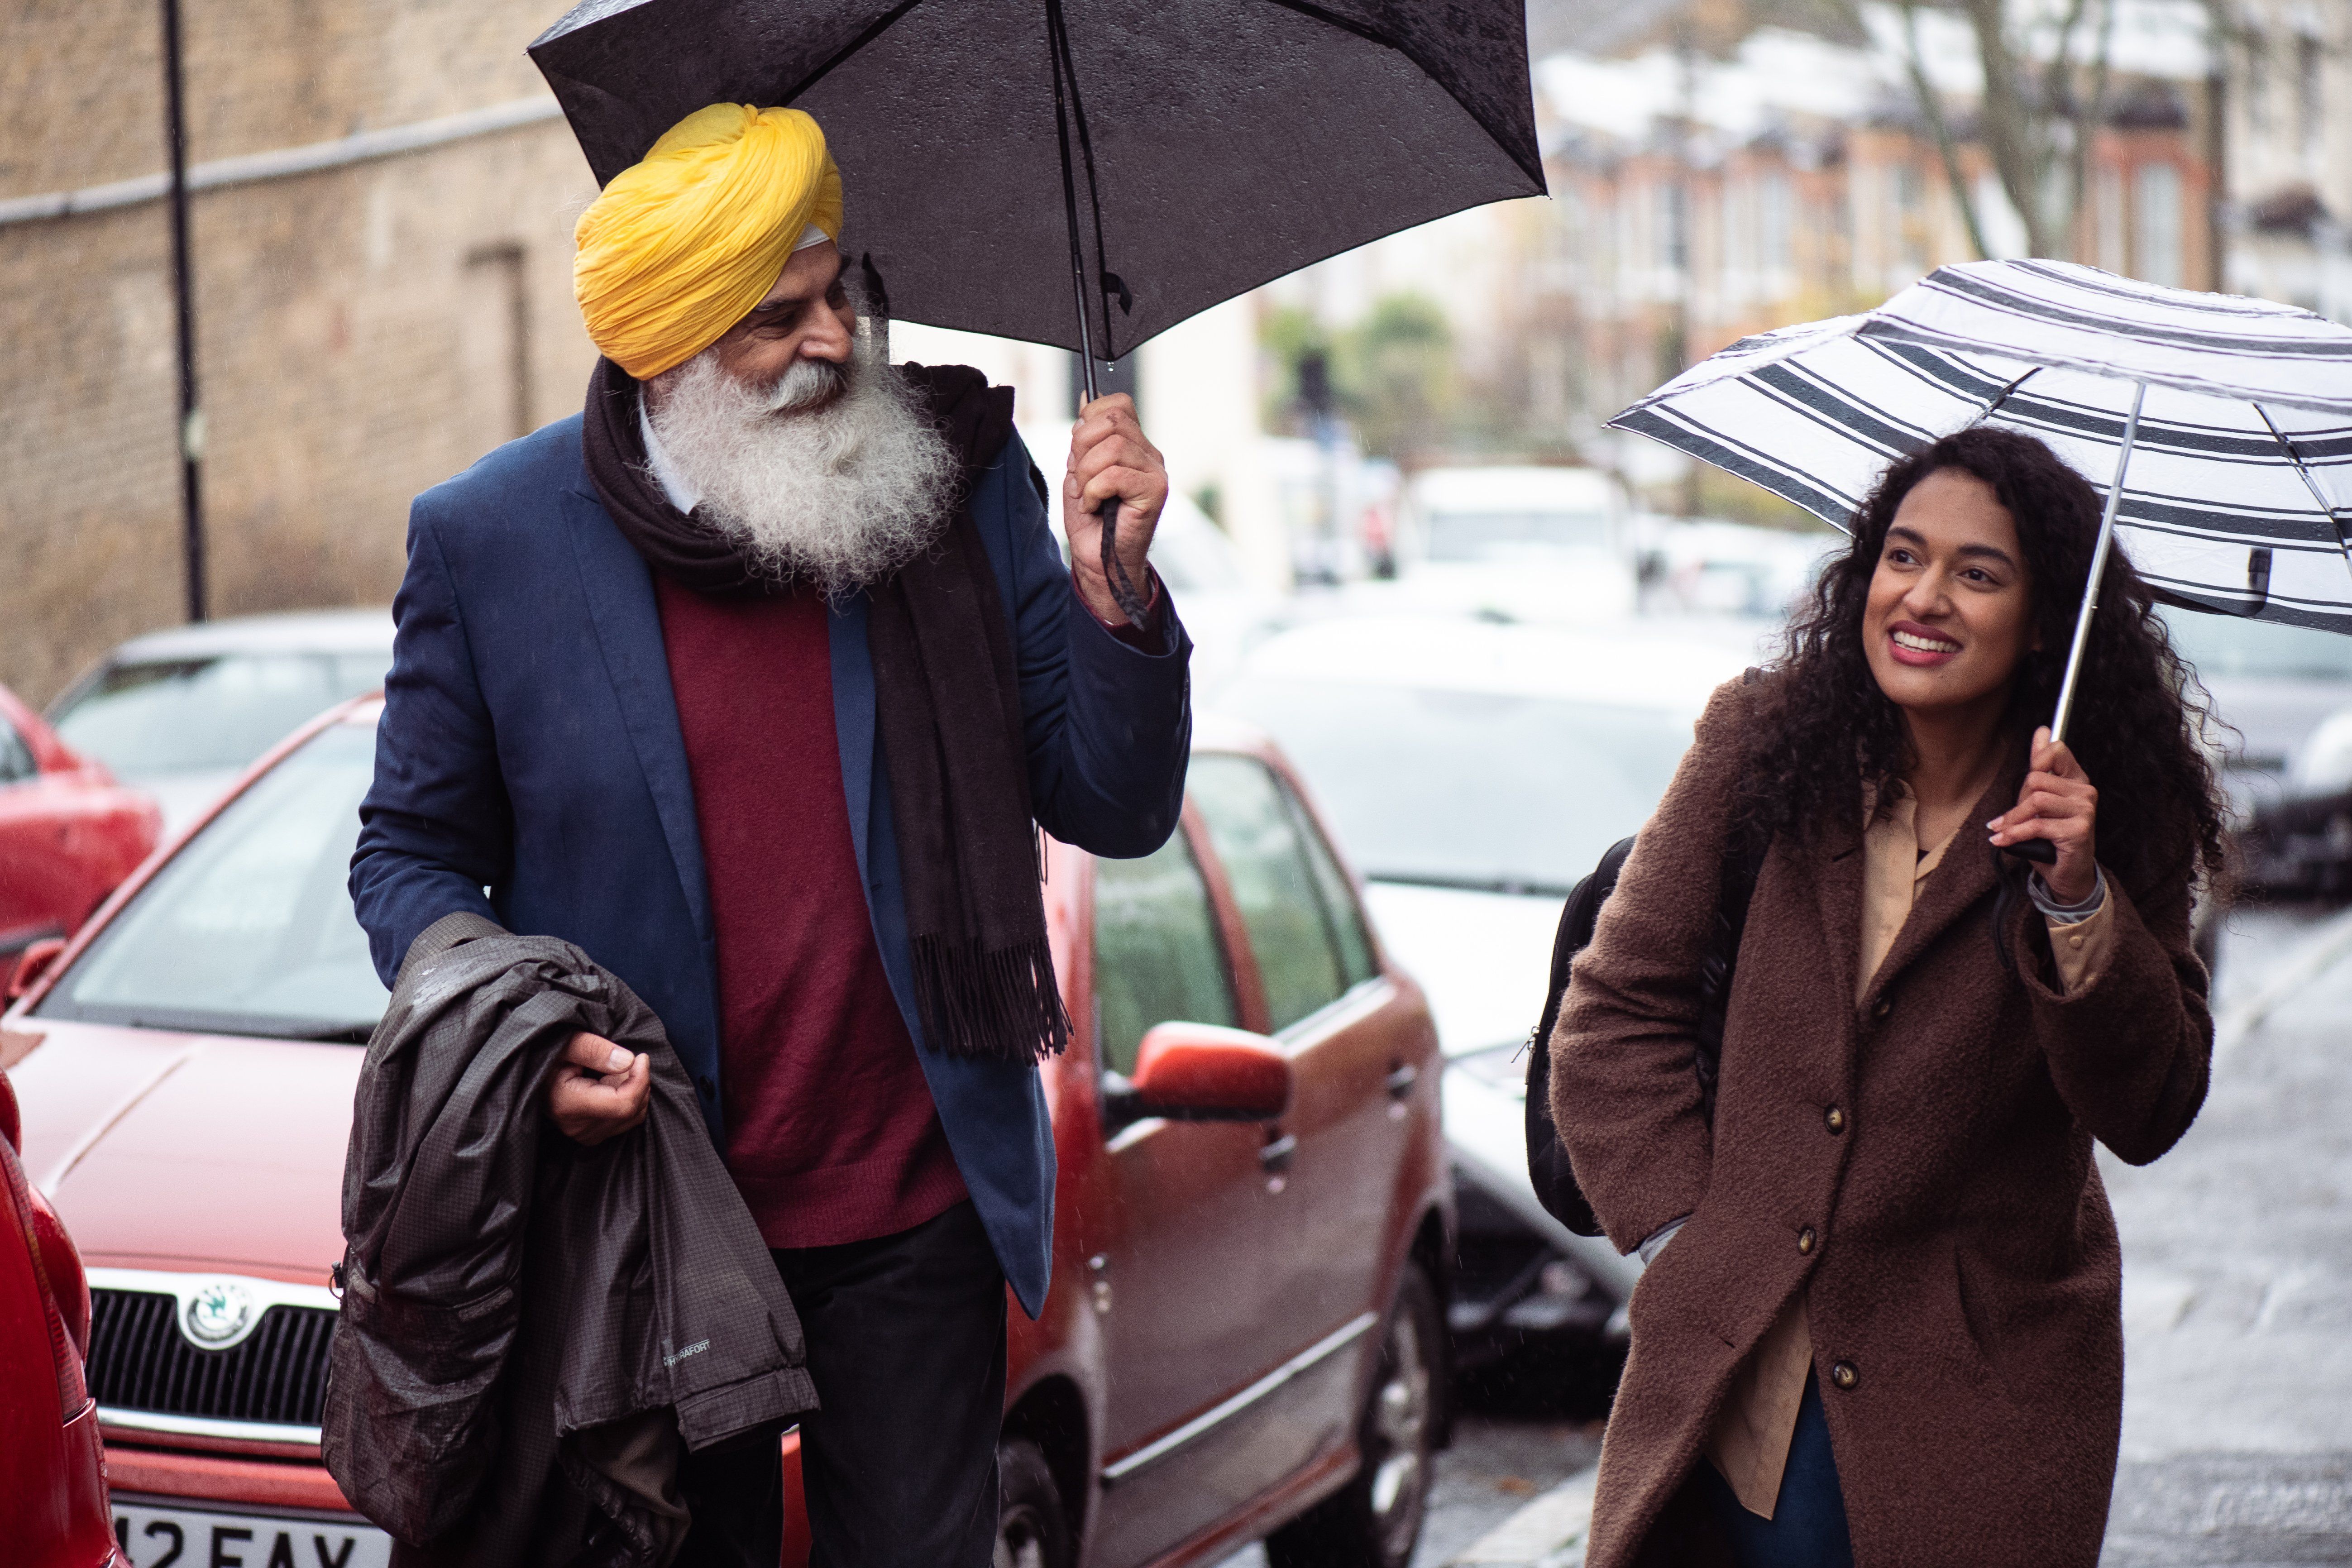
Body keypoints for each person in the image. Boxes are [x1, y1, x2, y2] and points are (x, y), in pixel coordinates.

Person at [349, 103, 1192, 1567]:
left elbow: (1111, 805)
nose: (832, 344)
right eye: (775, 321)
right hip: (649, 1223)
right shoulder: (490, 539)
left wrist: (1117, 595)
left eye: (836, 295)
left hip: (910, 1204)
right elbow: (408, 859)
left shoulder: (953, 477)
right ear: (663, 354)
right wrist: (524, 1046)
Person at [1553, 426, 2221, 1568]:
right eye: (1903, 557)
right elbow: (1615, 1011)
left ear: (2045, 620)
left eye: (1978, 572)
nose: (1925, 597)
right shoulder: (1763, 743)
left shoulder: (2110, 817)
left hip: (1974, 1408)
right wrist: (1687, 1234)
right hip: (1730, 1376)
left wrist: (2077, 902)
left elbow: (2149, 1105)